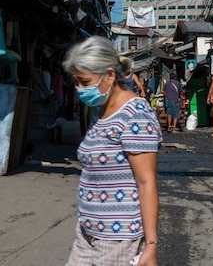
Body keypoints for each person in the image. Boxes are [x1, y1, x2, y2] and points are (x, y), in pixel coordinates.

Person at [62, 37, 161, 266]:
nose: (80, 89)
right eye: (76, 82)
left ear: (109, 75)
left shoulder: (135, 115)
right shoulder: (102, 110)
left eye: (84, 81)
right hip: (88, 230)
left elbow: (147, 183)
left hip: (118, 238)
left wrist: (151, 245)